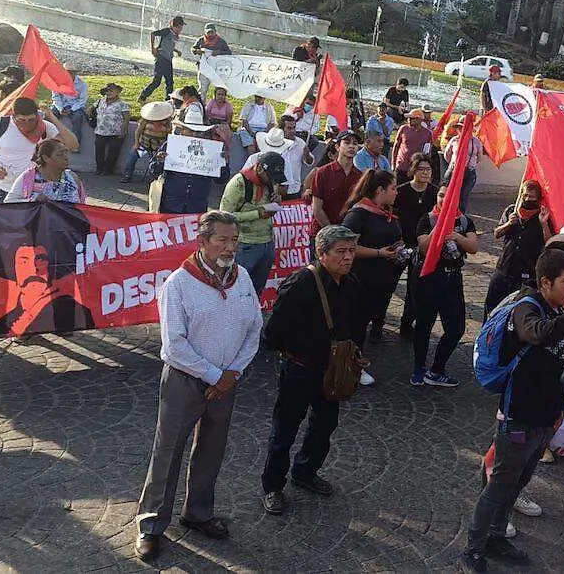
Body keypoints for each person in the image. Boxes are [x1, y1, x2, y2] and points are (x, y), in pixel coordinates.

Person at [462, 249, 564, 572]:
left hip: (545, 415)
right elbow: (538, 332)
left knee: (519, 480)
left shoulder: (552, 307)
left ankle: (497, 537)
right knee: (499, 485)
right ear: (546, 281)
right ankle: (474, 547)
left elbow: (548, 343)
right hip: (519, 414)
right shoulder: (527, 307)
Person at [134, 211, 261, 561]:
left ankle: (198, 512)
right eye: (221, 239)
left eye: (234, 239)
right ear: (202, 241)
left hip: (227, 380)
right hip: (185, 380)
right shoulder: (178, 284)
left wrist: (232, 373)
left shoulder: (243, 277)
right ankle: (151, 525)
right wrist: (215, 376)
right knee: (168, 451)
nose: (229, 246)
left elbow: (254, 327)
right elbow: (174, 345)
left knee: (212, 448)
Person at [259, 225, 358, 516]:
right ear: (321, 252)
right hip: (300, 369)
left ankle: (305, 471)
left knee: (324, 425)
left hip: (332, 372)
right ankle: (273, 486)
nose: (348, 257)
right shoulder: (301, 283)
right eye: (340, 252)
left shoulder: (350, 283)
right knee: (284, 430)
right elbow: (272, 333)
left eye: (351, 251)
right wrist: (298, 351)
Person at [412, 183, 479, 386]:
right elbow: (423, 247)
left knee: (456, 328)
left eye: (448, 196)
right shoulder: (427, 219)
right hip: (429, 278)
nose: (443, 199)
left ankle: (437, 370)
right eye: (441, 195)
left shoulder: (465, 221)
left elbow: (474, 247)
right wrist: (440, 228)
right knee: (424, 325)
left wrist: (455, 235)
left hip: (452, 278)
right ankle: (419, 367)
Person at [341, 169, 403, 349]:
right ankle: (349, 366)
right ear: (379, 191)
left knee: (365, 321)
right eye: (393, 188)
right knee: (356, 327)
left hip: (381, 279)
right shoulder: (359, 214)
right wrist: (379, 253)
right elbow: (346, 247)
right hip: (360, 280)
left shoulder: (385, 211)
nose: (396, 192)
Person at [0, 97, 79, 204]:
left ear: (37, 115)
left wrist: (52, 117)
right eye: (21, 120)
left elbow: (73, 145)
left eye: (31, 120)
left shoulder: (44, 127)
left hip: (32, 191)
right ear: (13, 115)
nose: (26, 124)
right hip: (3, 188)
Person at [219, 152, 286, 295]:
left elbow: (270, 204)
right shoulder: (238, 183)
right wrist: (257, 214)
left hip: (267, 243)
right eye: (271, 177)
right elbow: (224, 216)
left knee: (256, 290)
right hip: (245, 245)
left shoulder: (269, 183)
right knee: (236, 288)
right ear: (260, 168)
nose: (273, 182)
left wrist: (276, 203)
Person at [485, 180, 552, 317]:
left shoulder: (543, 215)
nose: (528, 200)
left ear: (538, 198)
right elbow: (497, 233)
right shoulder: (512, 210)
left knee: (516, 313)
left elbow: (549, 242)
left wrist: (543, 224)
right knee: (491, 308)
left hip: (526, 273)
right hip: (504, 269)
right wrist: (508, 224)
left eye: (532, 197)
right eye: (525, 196)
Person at [394, 153, 437, 337]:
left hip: (422, 246)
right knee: (390, 282)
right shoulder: (402, 191)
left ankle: (407, 323)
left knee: (414, 286)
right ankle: (378, 322)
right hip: (400, 242)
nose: (425, 173)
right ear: (413, 170)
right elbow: (392, 214)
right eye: (421, 169)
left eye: (428, 169)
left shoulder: (435, 193)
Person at [149, 109, 222, 214]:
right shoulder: (171, 145)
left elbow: (221, 179)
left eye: (198, 132)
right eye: (190, 131)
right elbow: (153, 171)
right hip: (171, 204)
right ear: (182, 130)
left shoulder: (211, 150)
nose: (194, 134)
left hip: (197, 206)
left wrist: (223, 162)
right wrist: (160, 161)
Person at [4, 139, 86, 204]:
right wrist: (33, 201)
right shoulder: (28, 177)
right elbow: (8, 202)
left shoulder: (72, 177)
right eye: (60, 154)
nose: (66, 158)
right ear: (46, 158)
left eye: (66, 153)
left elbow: (83, 207)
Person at [309, 131, 363, 229]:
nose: (351, 146)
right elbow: (317, 208)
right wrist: (332, 233)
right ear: (338, 147)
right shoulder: (323, 172)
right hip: (323, 234)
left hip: (349, 235)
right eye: (347, 143)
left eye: (355, 143)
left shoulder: (360, 176)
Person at [244, 121, 305, 199]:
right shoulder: (253, 158)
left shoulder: (285, 162)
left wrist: (274, 192)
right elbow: (243, 179)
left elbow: (284, 188)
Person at [123, 101, 173, 183]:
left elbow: (169, 136)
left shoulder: (167, 123)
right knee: (131, 157)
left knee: (155, 164)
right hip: (143, 145)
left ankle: (154, 179)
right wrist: (136, 144)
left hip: (158, 148)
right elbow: (138, 131)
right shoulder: (145, 120)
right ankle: (127, 175)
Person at [139, 16, 185, 102]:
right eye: (180, 27)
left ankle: (168, 100)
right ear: (175, 25)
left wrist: (176, 51)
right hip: (161, 59)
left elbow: (168, 45)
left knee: (170, 82)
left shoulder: (174, 35)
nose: (181, 29)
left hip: (168, 60)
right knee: (157, 81)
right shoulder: (167, 31)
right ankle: (143, 96)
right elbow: (153, 34)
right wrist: (153, 48)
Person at [444, 121, 482, 213]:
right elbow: (447, 155)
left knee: (463, 196)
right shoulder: (454, 140)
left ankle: (459, 217)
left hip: (469, 171)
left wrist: (470, 165)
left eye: (462, 128)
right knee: (447, 193)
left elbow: (479, 157)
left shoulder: (476, 141)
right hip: (454, 170)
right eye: (459, 128)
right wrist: (454, 163)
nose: (460, 130)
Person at [93, 82, 130, 176]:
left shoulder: (123, 104)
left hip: (116, 132)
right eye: (107, 91)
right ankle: (99, 168)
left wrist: (123, 131)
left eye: (111, 91)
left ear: (117, 92)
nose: (108, 93)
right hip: (100, 131)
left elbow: (126, 118)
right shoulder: (100, 101)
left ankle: (109, 170)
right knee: (99, 151)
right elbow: (90, 109)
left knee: (113, 153)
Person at [392, 107, 434, 184]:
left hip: (416, 169)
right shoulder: (403, 129)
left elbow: (427, 153)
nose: (409, 120)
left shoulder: (428, 133)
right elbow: (396, 146)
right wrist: (393, 164)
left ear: (419, 120)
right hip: (401, 166)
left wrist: (426, 170)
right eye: (409, 118)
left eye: (412, 118)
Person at [50, 62, 89, 146]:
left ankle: (75, 143)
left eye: (70, 72)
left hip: (75, 105)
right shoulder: (57, 82)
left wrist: (72, 109)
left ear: (74, 73)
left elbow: (82, 100)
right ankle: (48, 140)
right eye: (66, 72)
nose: (68, 75)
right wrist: (60, 108)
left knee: (78, 118)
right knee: (50, 116)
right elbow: (55, 97)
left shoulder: (82, 84)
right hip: (60, 104)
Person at [192, 22, 232, 98]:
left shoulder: (221, 42)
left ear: (215, 32)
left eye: (212, 32)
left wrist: (219, 52)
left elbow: (229, 53)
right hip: (204, 68)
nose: (210, 34)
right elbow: (193, 48)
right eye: (208, 32)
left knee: (219, 89)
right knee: (202, 89)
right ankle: (202, 105)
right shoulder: (200, 40)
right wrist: (197, 51)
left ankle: (217, 107)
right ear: (205, 32)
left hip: (217, 69)